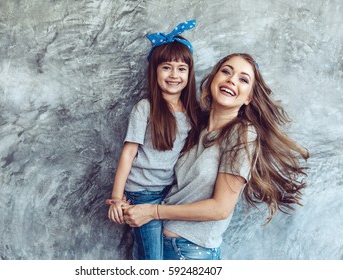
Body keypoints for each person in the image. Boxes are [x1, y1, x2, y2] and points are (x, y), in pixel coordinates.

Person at [120, 53, 309, 260]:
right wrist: (124, 196)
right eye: (226, 71)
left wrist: (153, 212)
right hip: (160, 243)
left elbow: (220, 208)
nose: (231, 80)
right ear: (213, 80)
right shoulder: (195, 125)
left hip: (190, 254)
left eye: (243, 79)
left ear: (249, 98)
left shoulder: (242, 134)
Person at [106, 20, 200, 260]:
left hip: (169, 193)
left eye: (181, 69)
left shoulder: (192, 113)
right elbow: (128, 154)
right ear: (155, 71)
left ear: (189, 74)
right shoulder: (145, 108)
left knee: (164, 252)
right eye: (166, 67)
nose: (174, 75)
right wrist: (117, 199)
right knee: (153, 260)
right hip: (143, 192)